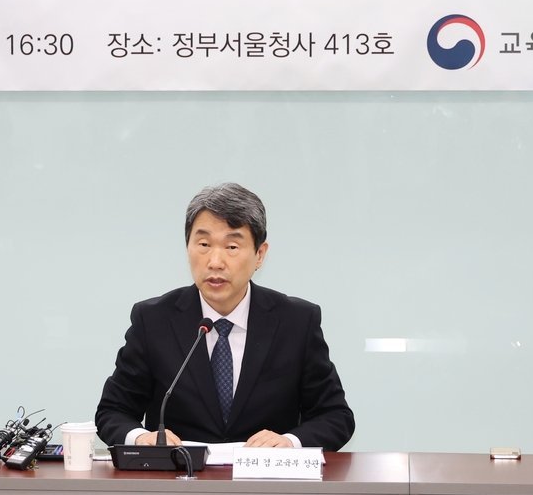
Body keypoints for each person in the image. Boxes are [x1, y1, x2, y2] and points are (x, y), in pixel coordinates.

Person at [95, 183, 354, 450]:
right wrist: (140, 438)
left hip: (267, 484)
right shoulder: (153, 320)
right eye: (204, 244)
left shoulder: (297, 322)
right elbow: (112, 412)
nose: (215, 262)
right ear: (188, 249)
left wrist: (289, 442)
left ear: (259, 255)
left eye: (231, 247)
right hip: (178, 484)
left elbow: (335, 417)